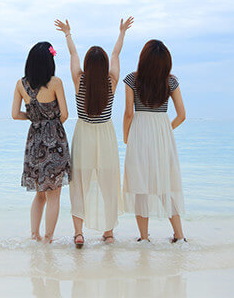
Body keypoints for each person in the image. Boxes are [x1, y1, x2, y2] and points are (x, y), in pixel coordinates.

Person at [55, 17, 133, 248]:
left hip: (84, 133)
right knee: (108, 183)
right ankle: (108, 233)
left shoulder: (79, 80)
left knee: (80, 184)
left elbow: (73, 56)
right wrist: (122, 33)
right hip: (105, 135)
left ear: (87, 66)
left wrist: (68, 33)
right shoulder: (112, 81)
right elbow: (116, 55)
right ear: (105, 65)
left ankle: (79, 234)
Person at [122, 39, 187, 243]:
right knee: (164, 186)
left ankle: (144, 238)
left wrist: (126, 137)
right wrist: (165, 129)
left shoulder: (132, 79)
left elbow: (128, 113)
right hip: (162, 135)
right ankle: (179, 235)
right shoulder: (171, 81)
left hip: (139, 133)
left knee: (140, 185)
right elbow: (181, 115)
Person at [11, 41, 72, 244]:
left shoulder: (21, 84)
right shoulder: (55, 83)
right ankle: (48, 238)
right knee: (54, 195)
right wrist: (51, 124)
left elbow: (14, 114)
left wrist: (34, 119)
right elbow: (65, 114)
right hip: (55, 141)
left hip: (34, 141)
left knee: (39, 195)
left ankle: (34, 234)